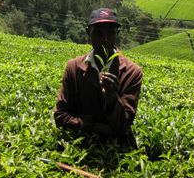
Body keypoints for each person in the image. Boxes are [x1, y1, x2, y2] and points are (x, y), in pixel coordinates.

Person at [54, 8, 143, 148]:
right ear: (88, 32)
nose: (104, 39)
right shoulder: (73, 67)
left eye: (110, 33)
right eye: (98, 33)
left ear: (117, 34)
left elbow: (122, 125)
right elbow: (60, 116)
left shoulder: (132, 72)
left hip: (118, 150)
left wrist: (112, 98)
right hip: (80, 145)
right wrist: (100, 127)